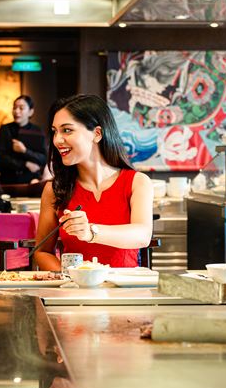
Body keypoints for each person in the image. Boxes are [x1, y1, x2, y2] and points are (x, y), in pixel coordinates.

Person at [33, 94, 153, 270]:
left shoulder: (137, 182)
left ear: (97, 133)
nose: (57, 140)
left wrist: (90, 232)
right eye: (54, 131)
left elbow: (142, 235)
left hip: (126, 292)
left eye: (67, 130)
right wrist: (68, 278)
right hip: (75, 293)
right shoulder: (54, 189)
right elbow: (42, 252)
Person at [0, 95, 48, 184]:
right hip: (8, 179)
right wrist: (25, 164)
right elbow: (1, 158)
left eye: (21, 108)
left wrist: (25, 151)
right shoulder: (5, 129)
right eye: (14, 107)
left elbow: (43, 158)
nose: (16, 111)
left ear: (30, 112)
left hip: (31, 180)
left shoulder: (37, 131)